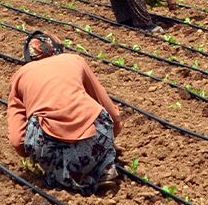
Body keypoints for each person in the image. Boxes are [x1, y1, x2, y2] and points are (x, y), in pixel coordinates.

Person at [7, 32, 124, 194]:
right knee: (95, 112)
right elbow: (109, 109)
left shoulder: (20, 75)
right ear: (57, 48)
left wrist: (29, 154)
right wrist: (111, 137)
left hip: (49, 149)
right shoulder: (74, 60)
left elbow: (16, 140)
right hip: (94, 141)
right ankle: (104, 168)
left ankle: (63, 177)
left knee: (36, 120)